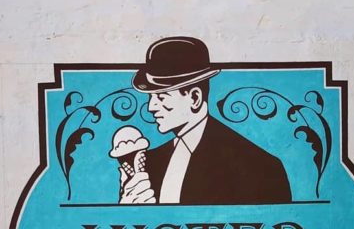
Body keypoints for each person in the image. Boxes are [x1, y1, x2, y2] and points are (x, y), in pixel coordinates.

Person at [120, 36, 292, 205]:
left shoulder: (259, 167)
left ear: (194, 98)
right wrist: (126, 209)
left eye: (162, 97)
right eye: (151, 98)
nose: (151, 107)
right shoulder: (148, 165)